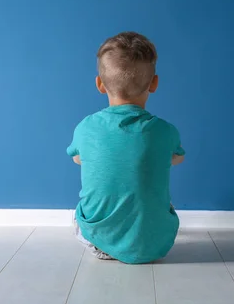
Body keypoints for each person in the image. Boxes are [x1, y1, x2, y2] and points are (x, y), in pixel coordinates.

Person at [66, 31, 185, 264]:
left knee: (78, 209)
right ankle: (142, 236)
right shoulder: (165, 130)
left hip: (96, 242)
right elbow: (177, 158)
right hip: (156, 245)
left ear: (100, 84)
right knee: (160, 199)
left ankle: (106, 242)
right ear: (154, 83)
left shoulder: (86, 127)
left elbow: (77, 159)